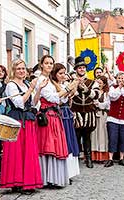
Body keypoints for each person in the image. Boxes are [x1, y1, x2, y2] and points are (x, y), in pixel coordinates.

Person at [0, 59, 44, 193]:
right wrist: (31, 88)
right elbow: (19, 103)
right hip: (17, 120)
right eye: (18, 68)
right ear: (14, 70)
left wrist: (38, 90)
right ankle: (16, 181)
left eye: (23, 68)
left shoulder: (25, 84)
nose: (21, 71)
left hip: (28, 119)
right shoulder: (11, 85)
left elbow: (33, 103)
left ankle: (27, 181)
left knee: (28, 151)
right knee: (16, 151)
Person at [36, 55, 78, 187]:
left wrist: (70, 90)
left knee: (55, 145)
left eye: (51, 63)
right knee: (48, 146)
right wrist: (67, 89)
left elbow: (59, 100)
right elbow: (51, 97)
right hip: (47, 116)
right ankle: (46, 178)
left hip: (55, 114)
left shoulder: (49, 80)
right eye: (47, 63)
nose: (49, 65)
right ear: (41, 64)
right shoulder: (40, 80)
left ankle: (53, 178)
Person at [51, 63, 80, 182]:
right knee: (65, 141)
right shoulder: (53, 86)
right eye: (60, 73)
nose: (63, 76)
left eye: (64, 73)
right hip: (60, 113)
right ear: (55, 74)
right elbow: (58, 99)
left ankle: (70, 171)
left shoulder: (63, 84)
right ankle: (64, 171)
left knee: (70, 141)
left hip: (67, 112)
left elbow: (70, 98)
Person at [71, 56, 98, 169]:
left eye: (83, 67)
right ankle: (76, 159)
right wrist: (76, 85)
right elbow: (70, 95)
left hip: (88, 112)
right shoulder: (71, 81)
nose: (81, 69)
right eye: (79, 68)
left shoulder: (92, 82)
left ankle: (89, 159)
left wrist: (86, 90)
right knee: (76, 137)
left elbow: (96, 95)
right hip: (76, 112)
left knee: (87, 137)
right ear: (76, 69)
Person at [104, 72, 124, 167]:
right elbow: (113, 97)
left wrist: (123, 89)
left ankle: (122, 158)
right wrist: (120, 88)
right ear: (116, 79)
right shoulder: (113, 88)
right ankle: (110, 159)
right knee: (112, 138)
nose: (121, 80)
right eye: (119, 78)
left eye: (123, 78)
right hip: (113, 118)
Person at [91, 75, 110, 162]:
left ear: (104, 84)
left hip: (102, 114)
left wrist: (98, 104)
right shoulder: (93, 91)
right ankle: (94, 155)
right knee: (94, 134)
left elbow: (107, 104)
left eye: (100, 83)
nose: (98, 84)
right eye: (97, 82)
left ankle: (102, 155)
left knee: (102, 134)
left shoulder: (106, 93)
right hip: (94, 114)